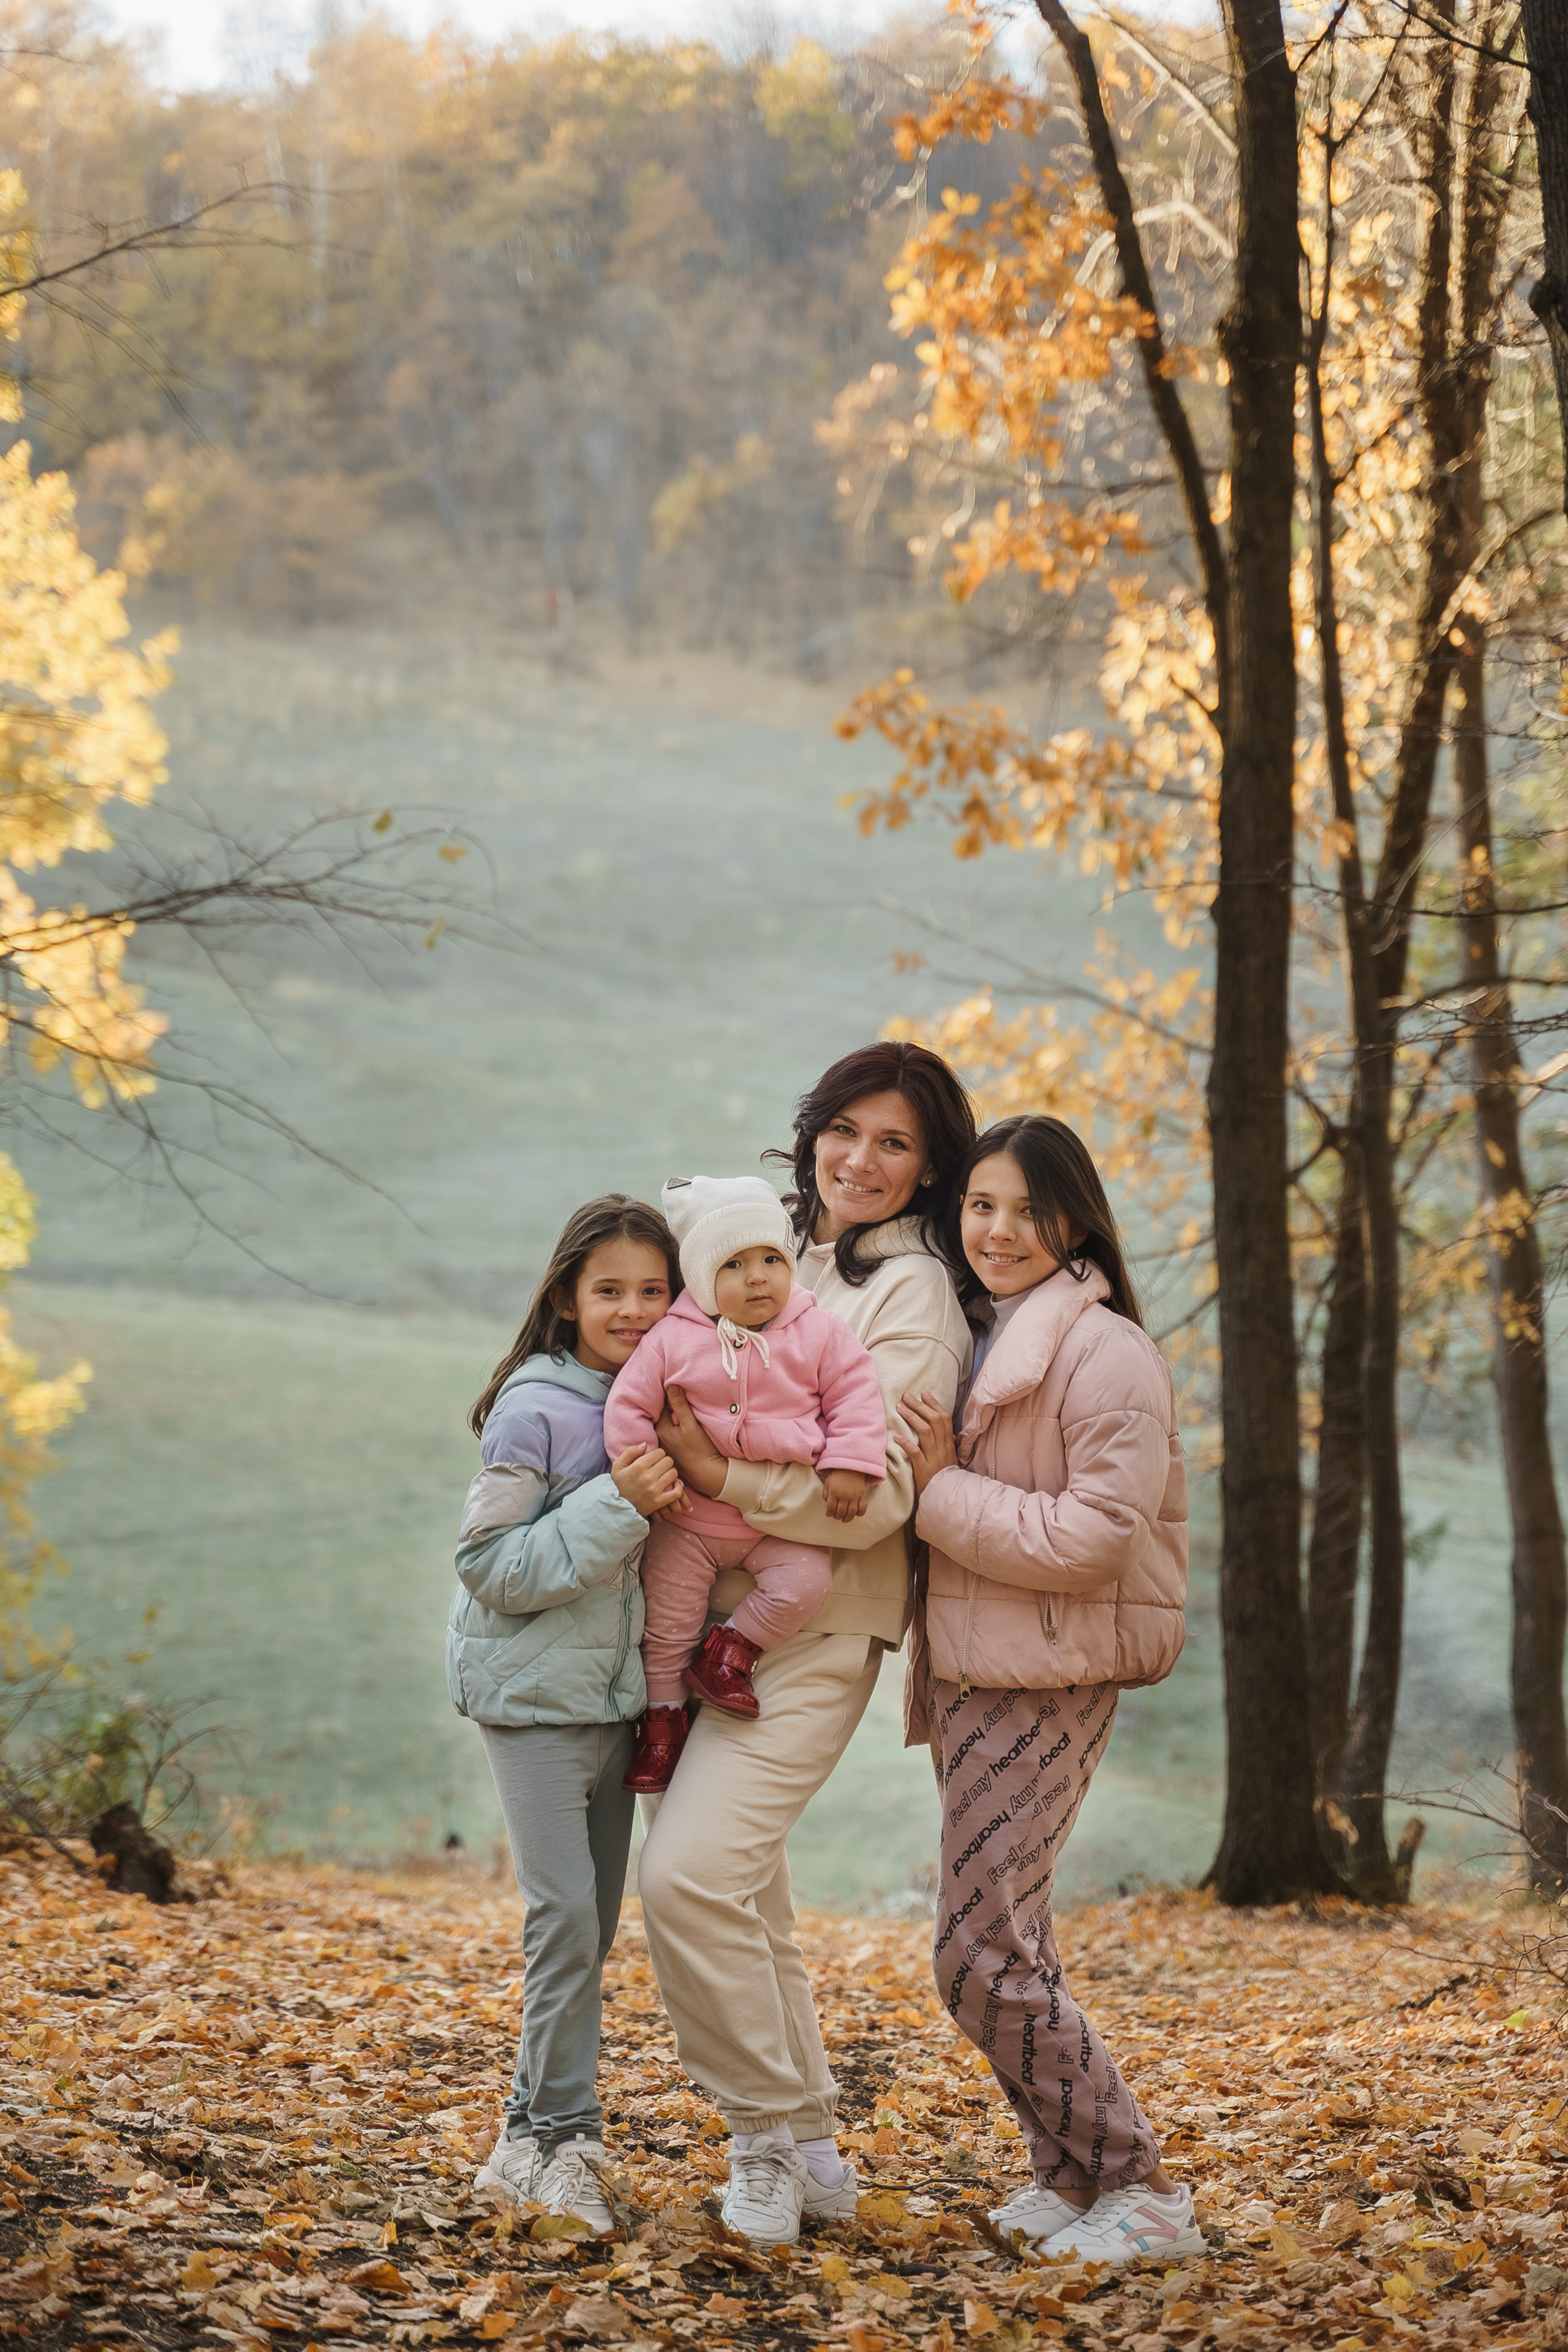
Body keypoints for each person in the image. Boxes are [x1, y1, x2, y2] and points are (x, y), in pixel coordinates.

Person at [637, 1041, 977, 2247]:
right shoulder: (750, 1243)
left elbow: (879, 1489)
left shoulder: (913, 1292)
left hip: (819, 1622)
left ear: (930, 1167)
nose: (861, 1159)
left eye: (895, 1143)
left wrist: (720, 1473)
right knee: (745, 1902)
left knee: (684, 1877)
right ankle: (809, 2153)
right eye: (845, 1128)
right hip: (687, 1621)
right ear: (810, 1129)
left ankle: (760, 2133)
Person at [897, 1114, 1203, 2268]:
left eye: (1028, 1209)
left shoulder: (1105, 1349)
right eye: (981, 1205)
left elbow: (1094, 1539)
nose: (999, 1229)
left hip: (1052, 1672)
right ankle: (1070, 2178)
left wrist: (936, 1495)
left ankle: (1138, 2185)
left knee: (972, 1952)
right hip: (985, 1666)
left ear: (1076, 1219)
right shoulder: (989, 1333)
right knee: (1014, 1936)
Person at [447, 1196, 685, 2234]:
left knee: (585, 1937)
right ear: (567, 1297)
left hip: (615, 1702)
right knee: (565, 1921)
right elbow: (489, 1566)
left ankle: (522, 2140)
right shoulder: (536, 1408)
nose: (632, 1308)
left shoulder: (661, 1400)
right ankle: (573, 2139)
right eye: (610, 1291)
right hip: (534, 1700)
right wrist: (619, 1501)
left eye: (652, 1290)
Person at [606, 1174, 890, 1785]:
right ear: (704, 1279)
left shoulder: (817, 1330)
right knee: (668, 1622)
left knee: (806, 1581)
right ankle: (662, 1728)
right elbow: (628, 1407)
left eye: (769, 1259)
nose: (757, 1276)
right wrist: (649, 1475)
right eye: (734, 1264)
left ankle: (729, 1655)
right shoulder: (671, 1341)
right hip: (688, 1519)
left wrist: (849, 1461)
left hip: (772, 1519)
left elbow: (857, 1394)